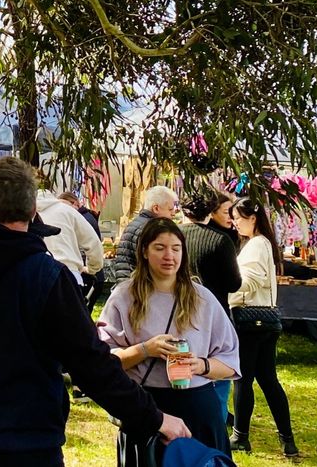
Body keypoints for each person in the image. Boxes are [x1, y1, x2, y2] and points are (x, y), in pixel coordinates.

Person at [0, 157, 190, 466]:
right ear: (33, 212)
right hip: (24, 442)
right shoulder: (46, 276)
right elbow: (91, 364)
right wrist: (155, 418)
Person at [98, 217, 240, 464]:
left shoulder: (202, 298)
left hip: (198, 409)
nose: (169, 256)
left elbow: (231, 363)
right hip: (148, 409)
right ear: (144, 251)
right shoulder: (124, 297)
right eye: (160, 247)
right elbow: (103, 362)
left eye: (176, 249)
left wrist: (201, 366)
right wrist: (145, 350)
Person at [228, 197, 297, 456]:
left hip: (249, 320)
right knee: (268, 380)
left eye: (237, 218)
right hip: (266, 319)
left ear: (252, 218)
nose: (234, 223)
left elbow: (251, 281)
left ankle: (241, 436)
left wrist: (229, 291)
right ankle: (286, 439)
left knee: (243, 379)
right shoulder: (262, 243)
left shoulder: (256, 245)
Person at [177, 190, 240, 424]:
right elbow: (235, 283)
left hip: (179, 312)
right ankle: (215, 431)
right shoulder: (220, 240)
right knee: (219, 377)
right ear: (212, 211)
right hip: (216, 314)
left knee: (183, 374)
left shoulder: (175, 236)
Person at [35, 189, 104, 290]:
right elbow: (93, 242)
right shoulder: (67, 210)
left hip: (38, 276)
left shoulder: (25, 215)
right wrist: (92, 269)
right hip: (70, 274)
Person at [114, 186, 179, 283]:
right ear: (156, 208)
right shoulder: (149, 229)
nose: (173, 213)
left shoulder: (138, 223)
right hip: (139, 286)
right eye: (170, 209)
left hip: (129, 283)